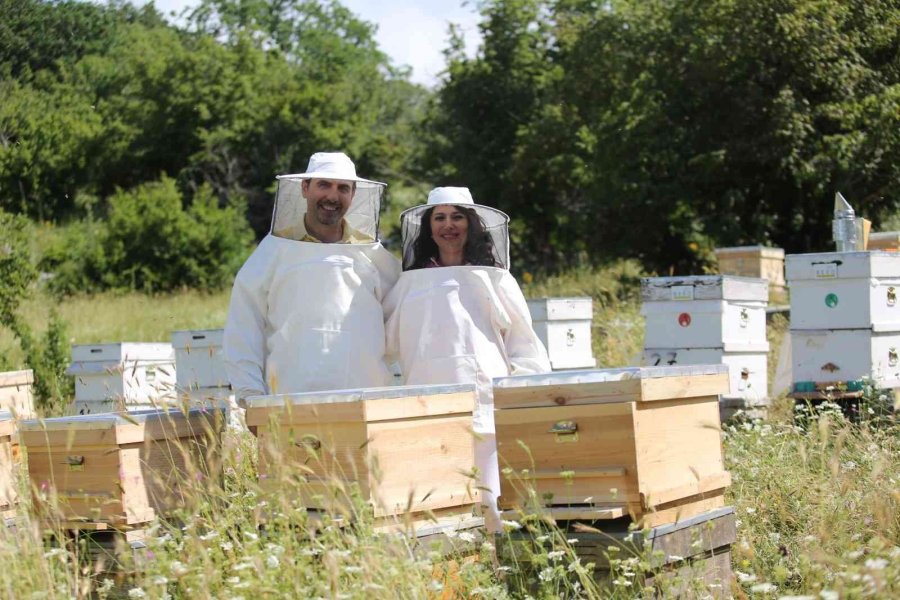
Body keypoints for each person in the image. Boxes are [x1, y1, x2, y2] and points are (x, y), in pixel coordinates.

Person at [383, 186, 550, 531]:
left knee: (492, 501)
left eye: (457, 216)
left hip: (487, 409)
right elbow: (384, 345)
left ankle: (501, 570)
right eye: (440, 217)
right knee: (437, 505)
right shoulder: (409, 283)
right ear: (428, 228)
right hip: (428, 411)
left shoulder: (496, 279)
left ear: (471, 223)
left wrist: (525, 403)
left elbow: (524, 345)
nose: (449, 225)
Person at [224, 152, 401, 400]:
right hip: (289, 401)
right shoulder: (275, 250)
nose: (332, 196)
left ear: (353, 194)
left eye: (343, 188)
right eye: (324, 185)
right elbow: (244, 326)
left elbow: (402, 322)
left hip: (366, 402)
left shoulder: (371, 254)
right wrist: (250, 394)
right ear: (305, 188)